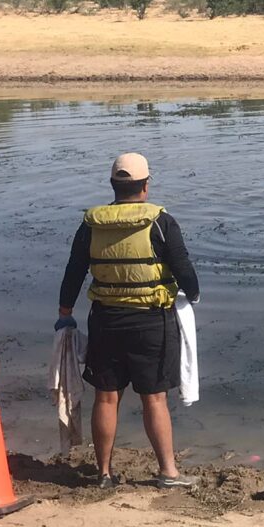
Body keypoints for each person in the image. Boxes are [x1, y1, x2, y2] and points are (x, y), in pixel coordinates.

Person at [58, 152, 200, 491]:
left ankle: (104, 474)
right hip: (152, 322)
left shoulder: (91, 224)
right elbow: (183, 269)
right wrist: (193, 295)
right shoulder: (161, 223)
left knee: (106, 397)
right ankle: (168, 472)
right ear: (146, 186)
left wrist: (65, 312)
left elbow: (74, 270)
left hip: (105, 320)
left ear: (113, 185)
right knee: (154, 398)